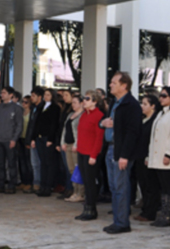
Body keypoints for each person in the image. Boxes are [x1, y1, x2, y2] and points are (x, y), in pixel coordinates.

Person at [101, 72, 142, 234]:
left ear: (124, 85)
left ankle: (122, 223)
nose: (110, 85)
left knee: (121, 187)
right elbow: (107, 122)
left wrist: (124, 155)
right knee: (113, 187)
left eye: (114, 82)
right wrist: (102, 123)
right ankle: (117, 220)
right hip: (111, 148)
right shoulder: (114, 103)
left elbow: (132, 132)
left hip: (121, 151)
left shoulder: (131, 105)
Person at [148, 86, 170, 227]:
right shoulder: (160, 113)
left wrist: (169, 153)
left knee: (169, 187)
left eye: (164, 95)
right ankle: (163, 213)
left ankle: (168, 215)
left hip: (167, 157)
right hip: (157, 156)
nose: (160, 98)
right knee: (163, 187)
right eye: (160, 95)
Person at [75, 90, 106, 221]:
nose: (84, 101)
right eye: (83, 98)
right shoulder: (84, 115)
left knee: (91, 182)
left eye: (87, 99)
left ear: (95, 101)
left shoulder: (99, 115)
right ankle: (87, 207)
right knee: (85, 182)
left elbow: (99, 138)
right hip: (82, 152)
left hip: (91, 154)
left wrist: (94, 155)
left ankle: (91, 209)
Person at [0, 86, 23, 194]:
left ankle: (11, 185)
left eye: (4, 93)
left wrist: (14, 139)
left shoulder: (16, 108)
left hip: (9, 140)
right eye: (2, 93)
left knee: (11, 163)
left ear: (11, 95)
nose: (2, 95)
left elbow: (19, 125)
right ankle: (0, 185)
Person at [133, 94, 161, 221]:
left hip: (148, 157)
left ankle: (150, 212)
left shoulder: (155, 121)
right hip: (139, 156)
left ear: (153, 106)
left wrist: (149, 156)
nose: (142, 106)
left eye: (145, 104)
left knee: (151, 186)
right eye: (142, 103)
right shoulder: (142, 119)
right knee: (143, 184)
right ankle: (145, 209)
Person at [31, 87, 61, 198]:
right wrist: (33, 138)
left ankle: (48, 186)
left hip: (47, 138)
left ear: (52, 96)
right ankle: (42, 186)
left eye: (48, 94)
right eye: (45, 95)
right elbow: (36, 123)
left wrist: (51, 139)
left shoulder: (55, 108)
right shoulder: (41, 107)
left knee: (49, 162)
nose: (46, 96)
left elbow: (54, 125)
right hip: (39, 137)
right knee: (42, 162)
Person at [61, 93, 85, 202]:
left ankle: (81, 193)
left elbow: (80, 133)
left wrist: (77, 144)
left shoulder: (83, 115)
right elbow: (65, 130)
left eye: (75, 103)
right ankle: (75, 191)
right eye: (73, 103)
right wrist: (63, 142)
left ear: (81, 103)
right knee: (71, 169)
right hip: (68, 144)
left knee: (78, 169)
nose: (73, 105)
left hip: (76, 146)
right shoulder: (70, 114)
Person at [18, 94, 34, 193]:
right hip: (20, 139)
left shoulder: (32, 113)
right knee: (21, 162)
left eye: (26, 102)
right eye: (22, 102)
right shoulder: (20, 112)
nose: (23, 104)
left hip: (27, 139)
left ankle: (30, 182)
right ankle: (23, 181)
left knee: (28, 162)